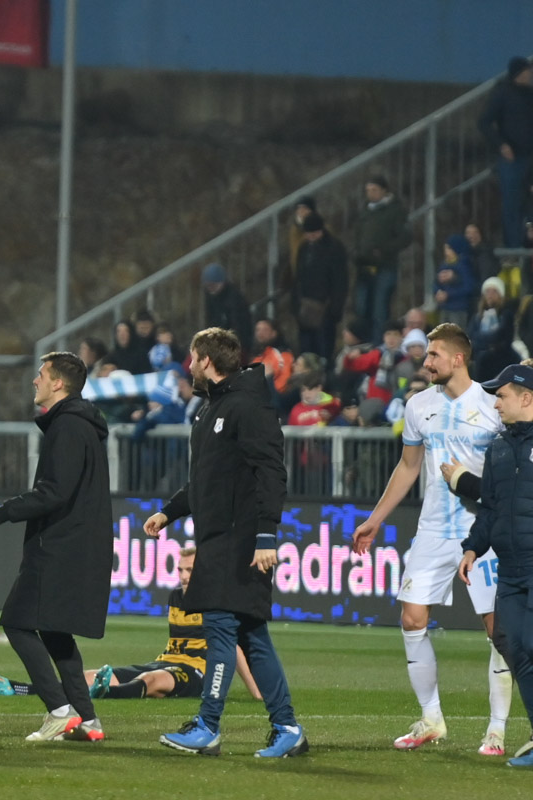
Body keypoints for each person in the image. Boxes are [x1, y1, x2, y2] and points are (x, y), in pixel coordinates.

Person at [144, 327, 307, 758]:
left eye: (193, 358)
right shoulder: (212, 409)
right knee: (252, 636)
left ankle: (208, 726)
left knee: (219, 628)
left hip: (240, 540)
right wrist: (170, 511)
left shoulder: (246, 407)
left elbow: (271, 472)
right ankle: (288, 728)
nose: (189, 366)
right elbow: (207, 480)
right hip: (221, 538)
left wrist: (267, 534)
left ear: (207, 361)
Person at [349, 324, 509, 754]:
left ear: (458, 358)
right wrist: (375, 519)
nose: (426, 362)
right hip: (434, 528)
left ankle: (496, 730)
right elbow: (408, 467)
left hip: (484, 530)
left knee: (499, 631)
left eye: (434, 355)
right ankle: (431, 718)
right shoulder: (419, 405)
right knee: (412, 618)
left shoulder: (495, 405)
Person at [0, 352, 112, 743]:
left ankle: (58, 709)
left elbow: (54, 492)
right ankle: (87, 719)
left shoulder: (67, 426)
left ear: (58, 384)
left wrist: (3, 512)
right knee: (54, 632)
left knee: (16, 622)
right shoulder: (79, 424)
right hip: (76, 542)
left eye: (41, 374)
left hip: (61, 545)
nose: (35, 381)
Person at [0, 546, 262, 701]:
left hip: (195, 672)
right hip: (165, 660)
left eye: (190, 570)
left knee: (152, 682)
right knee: (95, 674)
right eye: (181, 570)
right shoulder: (176, 597)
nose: (184, 576)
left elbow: (231, 646)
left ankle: (107, 693)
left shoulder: (216, 600)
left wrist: (255, 691)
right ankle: (16, 688)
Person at [457, 363, 533, 766]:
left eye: (500, 395)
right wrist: (472, 547)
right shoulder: (499, 447)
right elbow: (490, 508)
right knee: (519, 652)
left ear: (526, 397)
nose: (495, 403)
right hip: (511, 568)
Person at [478, 57, 533, 248]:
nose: (532, 74)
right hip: (512, 158)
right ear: (519, 73)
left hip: (532, 157)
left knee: (532, 202)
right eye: (528, 71)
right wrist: (501, 145)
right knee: (512, 204)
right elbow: (484, 122)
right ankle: (513, 249)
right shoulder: (502, 93)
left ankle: (530, 245)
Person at [353, 176, 411, 341]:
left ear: (384, 191)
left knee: (380, 310)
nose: (371, 194)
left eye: (374, 190)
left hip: (385, 266)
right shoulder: (366, 210)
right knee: (362, 309)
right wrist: (357, 252)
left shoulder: (394, 210)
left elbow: (405, 237)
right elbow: (358, 234)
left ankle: (379, 345)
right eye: (368, 191)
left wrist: (384, 250)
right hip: (364, 266)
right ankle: (364, 344)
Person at [293, 211, 350, 359]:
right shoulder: (304, 248)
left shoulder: (334, 248)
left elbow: (340, 281)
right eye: (308, 233)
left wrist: (335, 308)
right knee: (306, 347)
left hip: (325, 305)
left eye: (314, 233)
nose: (311, 237)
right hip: (306, 303)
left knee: (324, 347)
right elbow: (298, 276)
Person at [472, 277, 521, 382]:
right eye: (487, 291)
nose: (490, 295)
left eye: (494, 291)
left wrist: (485, 338)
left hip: (502, 360)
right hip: (481, 360)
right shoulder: (477, 317)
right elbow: (472, 335)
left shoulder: (506, 314)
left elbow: (503, 336)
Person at [201, 263, 253, 353]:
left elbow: (238, 324)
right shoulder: (210, 296)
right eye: (208, 286)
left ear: (222, 283)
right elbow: (210, 318)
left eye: (213, 285)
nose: (211, 289)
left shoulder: (234, 298)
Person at [435, 234, 479, 328]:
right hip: (445, 307)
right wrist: (437, 292)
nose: (446, 252)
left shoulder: (464, 265)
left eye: (449, 249)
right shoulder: (444, 265)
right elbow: (436, 282)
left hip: (458, 308)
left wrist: (449, 294)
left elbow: (468, 287)